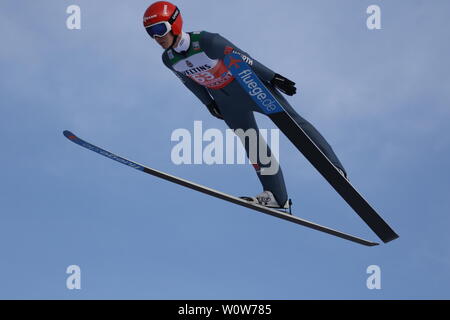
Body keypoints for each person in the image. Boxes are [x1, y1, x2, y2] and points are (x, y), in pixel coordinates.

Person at [143, 1, 347, 209]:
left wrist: (274, 77)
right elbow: (188, 81)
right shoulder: (168, 59)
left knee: (292, 123)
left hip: (249, 88)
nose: (156, 37)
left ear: (175, 24)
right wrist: (208, 103)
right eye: (150, 33)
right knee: (252, 144)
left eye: (160, 29)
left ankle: (333, 167)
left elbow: (242, 58)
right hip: (226, 101)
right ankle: (276, 196)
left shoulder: (206, 40)